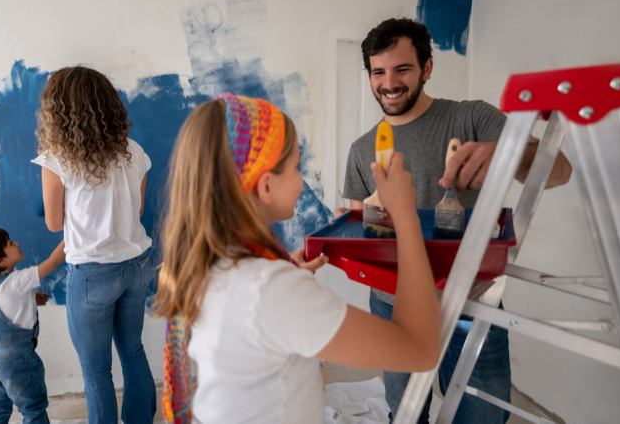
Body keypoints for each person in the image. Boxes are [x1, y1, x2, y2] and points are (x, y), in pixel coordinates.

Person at [155, 94, 440, 424]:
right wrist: (405, 215)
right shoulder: (269, 289)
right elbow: (419, 349)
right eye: (295, 168)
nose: (301, 179)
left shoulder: (211, 264)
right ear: (265, 186)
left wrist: (285, 275)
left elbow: (257, 313)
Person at [343, 18, 572, 424]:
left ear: (427, 68)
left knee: (481, 415)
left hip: (473, 302)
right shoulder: (362, 149)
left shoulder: (472, 119)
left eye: (402, 69)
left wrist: (505, 154)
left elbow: (559, 173)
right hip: (393, 306)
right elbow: (358, 225)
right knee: (406, 413)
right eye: (378, 72)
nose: (389, 83)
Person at [33, 66, 156, 423]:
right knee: (133, 351)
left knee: (97, 371)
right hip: (136, 265)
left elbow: (55, 223)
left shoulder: (57, 160)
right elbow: (141, 209)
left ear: (59, 110)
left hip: (91, 274)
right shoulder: (134, 150)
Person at [0, 228, 65, 424]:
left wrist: (30, 299)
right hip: (17, 364)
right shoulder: (17, 280)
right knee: (33, 408)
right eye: (9, 243)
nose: (16, 243)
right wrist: (73, 234)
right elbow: (53, 261)